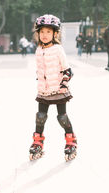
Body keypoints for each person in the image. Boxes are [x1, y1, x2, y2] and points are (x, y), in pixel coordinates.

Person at [29, 14, 77, 162]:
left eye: (48, 32)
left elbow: (67, 70)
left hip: (58, 90)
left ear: (55, 33)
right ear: (38, 33)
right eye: (42, 32)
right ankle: (38, 143)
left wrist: (64, 84)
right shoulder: (38, 49)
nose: (44, 35)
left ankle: (71, 141)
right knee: (40, 118)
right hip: (43, 90)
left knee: (62, 118)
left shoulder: (58, 49)